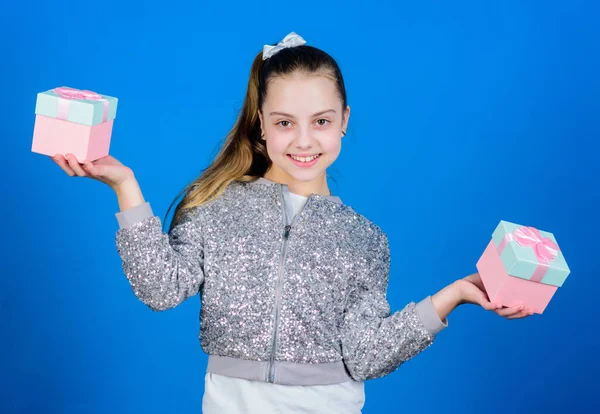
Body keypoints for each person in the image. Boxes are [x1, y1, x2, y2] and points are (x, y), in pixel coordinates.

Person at [51, 32, 534, 414]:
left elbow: (366, 355)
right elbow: (160, 289)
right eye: (284, 122)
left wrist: (452, 296)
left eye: (321, 121)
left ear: (345, 119)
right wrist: (124, 185)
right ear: (260, 123)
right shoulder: (216, 205)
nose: (304, 141)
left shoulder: (365, 240)